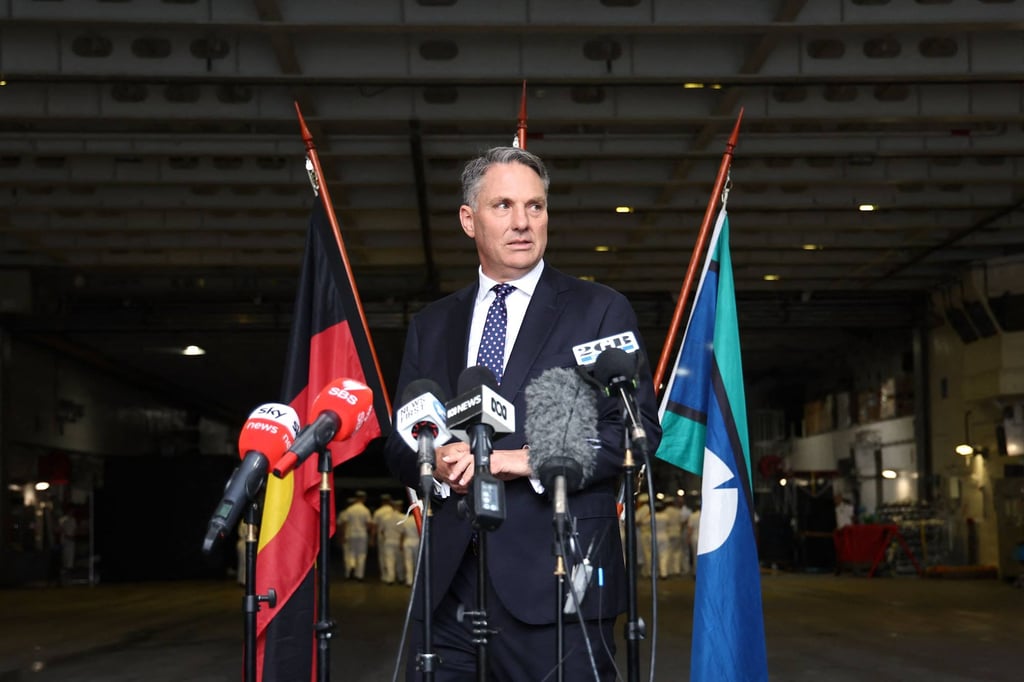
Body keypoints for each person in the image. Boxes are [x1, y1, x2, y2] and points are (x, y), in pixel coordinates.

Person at [383, 146, 661, 681]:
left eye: (535, 207)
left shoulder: (599, 309)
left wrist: (523, 460)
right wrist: (435, 461)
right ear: (469, 219)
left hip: (560, 584)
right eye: (503, 206)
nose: (522, 223)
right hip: (449, 590)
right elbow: (400, 437)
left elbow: (636, 431)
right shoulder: (432, 324)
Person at [337, 490, 372, 580]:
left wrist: (343, 535)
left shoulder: (349, 510)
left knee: (351, 553)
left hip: (351, 533)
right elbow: (368, 524)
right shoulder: (365, 510)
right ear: (363, 499)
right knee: (361, 554)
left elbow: (344, 523)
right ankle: (359, 575)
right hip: (362, 534)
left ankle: (352, 566)